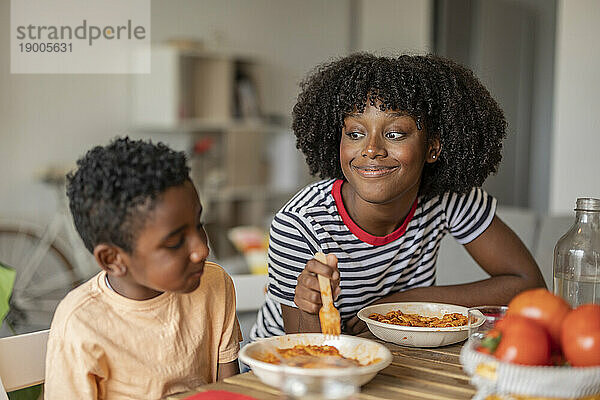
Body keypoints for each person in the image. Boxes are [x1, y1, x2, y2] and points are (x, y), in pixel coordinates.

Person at [251, 53, 546, 339]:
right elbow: (308, 360)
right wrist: (307, 305)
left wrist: (399, 304)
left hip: (393, 364)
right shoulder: (301, 223)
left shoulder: (448, 198)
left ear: (433, 146)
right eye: (355, 133)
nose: (371, 149)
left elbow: (529, 286)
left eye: (394, 134)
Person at [45, 137, 242, 399]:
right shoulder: (81, 322)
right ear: (113, 260)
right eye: (174, 242)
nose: (201, 250)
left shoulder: (214, 282)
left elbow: (230, 391)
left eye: (199, 225)